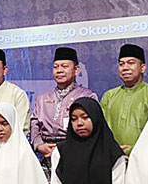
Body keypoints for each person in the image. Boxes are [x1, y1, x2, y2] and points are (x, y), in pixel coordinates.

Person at [30, 47, 98, 176]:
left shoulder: (87, 97)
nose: (59, 70)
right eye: (56, 67)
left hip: (75, 153)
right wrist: (39, 145)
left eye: (64, 66)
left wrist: (63, 148)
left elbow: (92, 129)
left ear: (76, 70)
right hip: (45, 156)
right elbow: (34, 125)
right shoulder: (42, 98)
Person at [100, 44, 148, 155]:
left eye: (131, 63)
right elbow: (100, 129)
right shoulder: (109, 96)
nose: (125, 68)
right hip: (112, 157)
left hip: (144, 156)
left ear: (142, 67)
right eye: (121, 64)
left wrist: (133, 150)